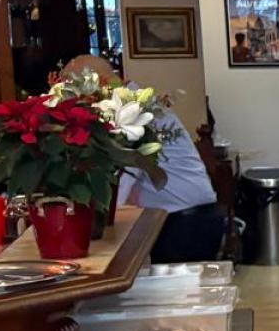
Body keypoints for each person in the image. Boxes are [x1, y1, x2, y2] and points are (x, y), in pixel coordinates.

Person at [61, 55, 225, 264]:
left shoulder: (132, 111)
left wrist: (94, 221)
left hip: (185, 223)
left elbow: (123, 180)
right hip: (185, 217)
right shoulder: (133, 106)